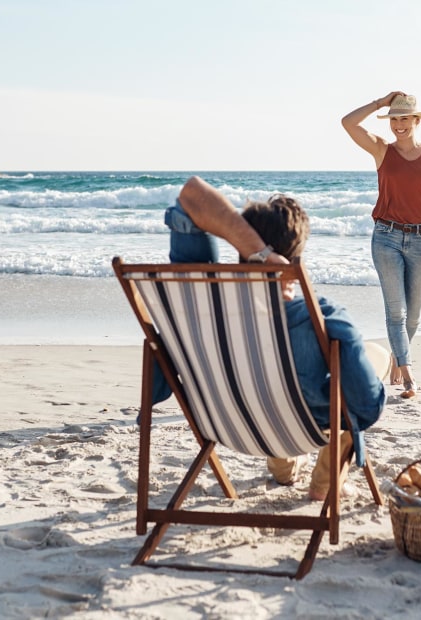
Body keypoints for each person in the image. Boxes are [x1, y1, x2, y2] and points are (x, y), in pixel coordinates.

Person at [150, 176, 387, 501]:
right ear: (297, 255)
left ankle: (283, 467)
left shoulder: (197, 302)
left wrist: (256, 253)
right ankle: (323, 484)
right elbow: (367, 406)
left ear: (239, 244)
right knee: (373, 361)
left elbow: (189, 199)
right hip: (299, 427)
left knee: (270, 378)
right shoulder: (320, 316)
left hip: (226, 422)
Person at [342, 91, 421, 399]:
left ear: (416, 121)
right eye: (394, 119)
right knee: (396, 313)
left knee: (414, 315)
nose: (399, 125)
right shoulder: (381, 150)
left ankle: (396, 359)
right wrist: (380, 103)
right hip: (386, 237)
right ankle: (408, 374)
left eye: (405, 119)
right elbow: (347, 122)